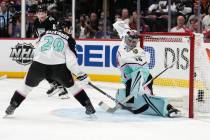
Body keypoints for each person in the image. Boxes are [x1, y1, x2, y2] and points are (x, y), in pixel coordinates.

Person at [5, 20, 96, 116]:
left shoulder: (44, 33)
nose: (70, 31)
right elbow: (71, 61)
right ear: (66, 28)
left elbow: (36, 45)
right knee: (73, 87)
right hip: (58, 68)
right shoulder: (69, 39)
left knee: (25, 87)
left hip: (38, 65)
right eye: (69, 28)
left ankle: (12, 105)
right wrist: (80, 74)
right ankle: (88, 106)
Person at [113, 20, 181, 117]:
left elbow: (142, 72)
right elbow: (118, 23)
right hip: (128, 78)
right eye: (129, 41)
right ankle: (130, 101)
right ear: (125, 38)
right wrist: (126, 28)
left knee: (148, 95)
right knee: (129, 91)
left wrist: (140, 86)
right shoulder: (125, 34)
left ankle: (169, 108)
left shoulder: (138, 53)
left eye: (134, 42)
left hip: (142, 78)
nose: (131, 43)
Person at [33, 4, 68, 99]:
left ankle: (62, 89)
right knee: (43, 68)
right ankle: (55, 85)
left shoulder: (51, 21)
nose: (42, 15)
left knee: (51, 69)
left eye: (43, 12)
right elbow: (39, 35)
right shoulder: (36, 22)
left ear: (46, 13)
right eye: (39, 13)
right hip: (44, 49)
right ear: (36, 14)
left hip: (54, 48)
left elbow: (55, 35)